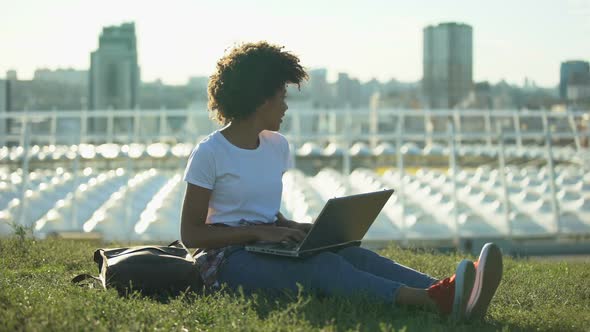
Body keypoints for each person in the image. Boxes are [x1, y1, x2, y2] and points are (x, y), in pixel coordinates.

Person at [180, 41, 503, 321]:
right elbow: (190, 234)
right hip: (225, 262)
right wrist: (258, 231)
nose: (286, 105)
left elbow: (258, 210)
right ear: (261, 99)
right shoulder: (211, 152)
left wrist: (293, 227)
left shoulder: (276, 146)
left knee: (353, 255)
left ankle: (451, 289)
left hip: (266, 245)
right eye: (281, 96)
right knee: (323, 268)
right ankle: (434, 301)